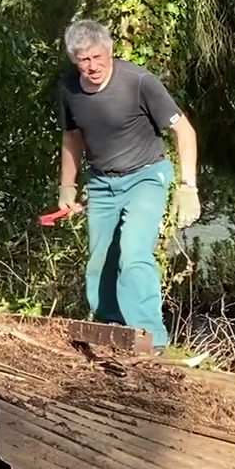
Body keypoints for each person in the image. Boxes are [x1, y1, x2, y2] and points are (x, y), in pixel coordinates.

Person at [55, 19, 200, 350]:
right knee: (100, 261)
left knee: (134, 255)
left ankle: (151, 341)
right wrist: (67, 187)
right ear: (74, 60)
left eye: (96, 57)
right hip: (103, 184)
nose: (91, 66)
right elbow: (72, 136)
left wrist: (187, 187)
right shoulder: (69, 89)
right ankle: (111, 333)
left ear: (109, 51)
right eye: (83, 60)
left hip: (147, 176)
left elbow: (184, 131)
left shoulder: (139, 82)